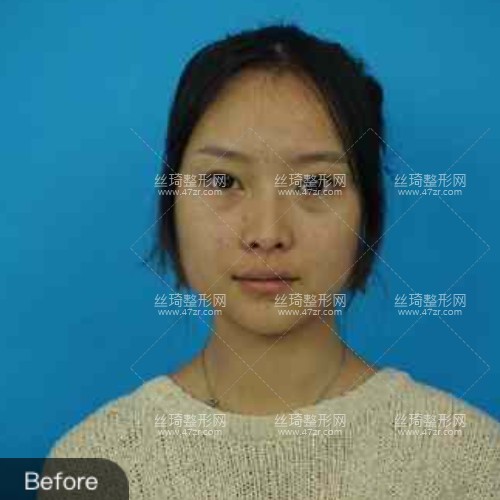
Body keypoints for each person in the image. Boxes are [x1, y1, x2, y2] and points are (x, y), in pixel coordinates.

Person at [48, 23, 500, 499]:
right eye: (222, 181)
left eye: (315, 185)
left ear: (368, 210)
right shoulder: (94, 465)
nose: (267, 234)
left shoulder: (470, 464)